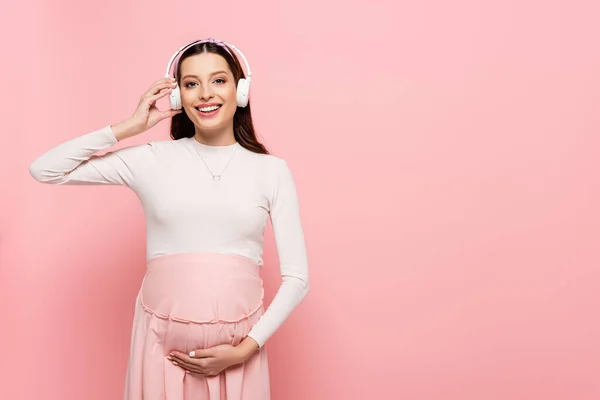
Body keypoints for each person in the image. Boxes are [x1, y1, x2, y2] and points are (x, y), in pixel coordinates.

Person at [29, 38, 309, 400]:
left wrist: (246, 349)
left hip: (239, 360)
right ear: (177, 97)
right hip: (158, 355)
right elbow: (45, 170)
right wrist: (128, 127)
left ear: (241, 89)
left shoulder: (271, 171)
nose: (205, 94)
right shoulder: (152, 159)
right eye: (191, 84)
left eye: (219, 80)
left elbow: (297, 279)